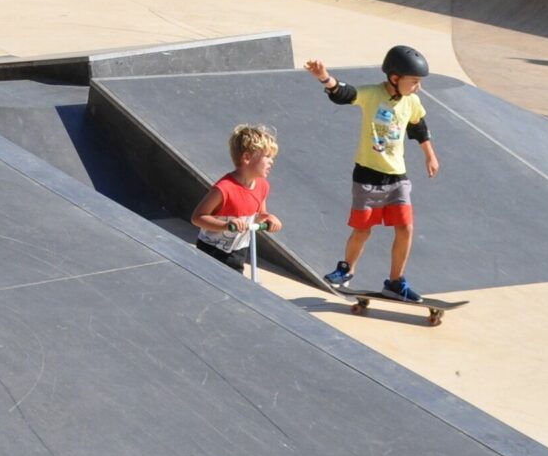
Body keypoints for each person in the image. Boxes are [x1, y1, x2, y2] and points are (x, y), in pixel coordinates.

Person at [304, 45, 441, 302]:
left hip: (398, 178)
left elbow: (418, 127)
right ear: (395, 77)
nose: (418, 87)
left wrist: (430, 155)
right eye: (414, 82)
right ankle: (346, 269)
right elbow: (343, 93)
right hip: (367, 177)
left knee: (405, 228)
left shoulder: (412, 101)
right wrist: (324, 77)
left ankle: (396, 282)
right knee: (363, 230)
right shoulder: (371, 95)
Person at [189, 124, 281, 274]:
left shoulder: (262, 186)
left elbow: (260, 214)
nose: (272, 161)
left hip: (238, 251)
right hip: (211, 250)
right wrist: (226, 225)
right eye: (267, 157)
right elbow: (197, 218)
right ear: (246, 157)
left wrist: (269, 218)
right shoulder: (224, 189)